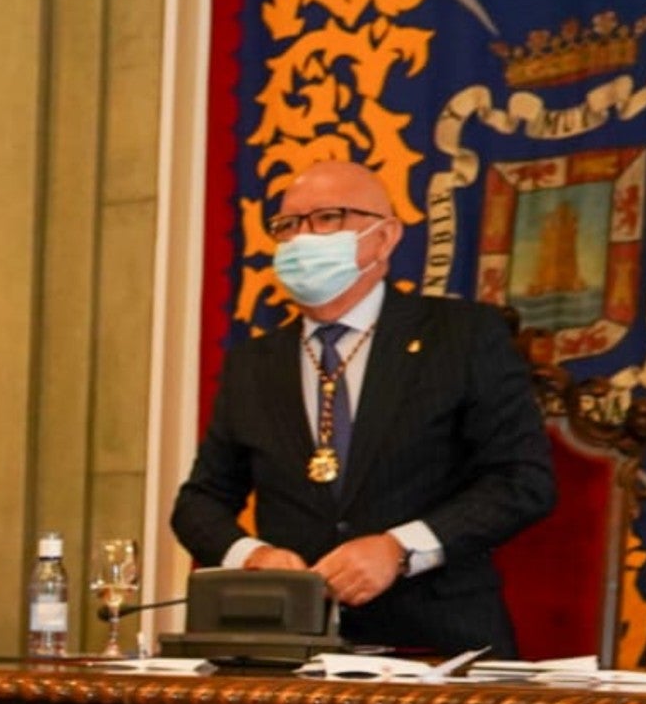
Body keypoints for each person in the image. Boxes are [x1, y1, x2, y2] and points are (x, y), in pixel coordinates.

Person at [171, 156, 555, 655]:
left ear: (386, 236)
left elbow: (523, 481)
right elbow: (198, 504)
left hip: (441, 646)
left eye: (328, 218)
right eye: (288, 225)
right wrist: (253, 555)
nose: (303, 238)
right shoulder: (253, 364)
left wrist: (400, 549)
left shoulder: (462, 336)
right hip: (291, 649)